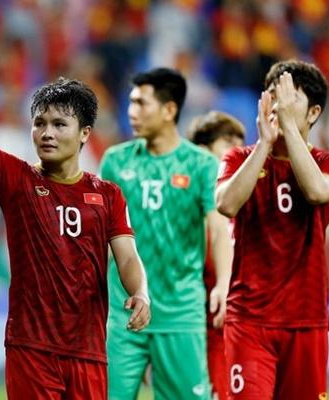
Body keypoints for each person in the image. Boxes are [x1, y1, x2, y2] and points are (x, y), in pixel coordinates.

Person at [0, 14, 151, 399]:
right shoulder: (17, 181)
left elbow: (127, 256)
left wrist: (141, 292)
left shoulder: (108, 195)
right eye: (39, 123)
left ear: (85, 134)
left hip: (87, 352)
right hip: (31, 350)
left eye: (59, 124)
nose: (46, 133)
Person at [216, 60, 329, 399]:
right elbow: (226, 204)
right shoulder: (238, 158)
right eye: (273, 96)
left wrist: (289, 131)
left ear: (314, 112)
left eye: (290, 99)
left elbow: (317, 192)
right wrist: (264, 144)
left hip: (306, 321)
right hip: (248, 319)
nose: (279, 106)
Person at [99, 68, 233, 400]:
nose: (131, 112)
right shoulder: (115, 161)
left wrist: (223, 283)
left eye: (141, 103)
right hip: (123, 312)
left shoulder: (201, 164)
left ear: (169, 109)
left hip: (180, 313)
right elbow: (100, 236)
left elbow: (218, 228)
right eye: (131, 103)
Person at [188, 111, 246, 400]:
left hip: (238, 333)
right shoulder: (185, 210)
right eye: (228, 143)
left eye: (241, 144)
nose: (238, 151)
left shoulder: (243, 205)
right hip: (197, 333)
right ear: (202, 150)